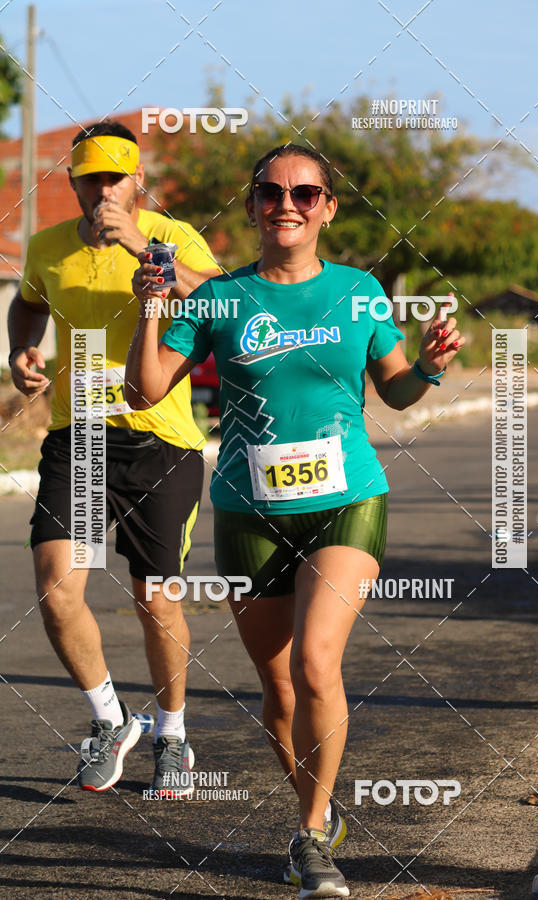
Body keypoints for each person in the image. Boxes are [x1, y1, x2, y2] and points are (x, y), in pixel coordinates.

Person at [125, 144, 465, 898]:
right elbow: (146, 390)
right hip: (249, 511)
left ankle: (310, 838)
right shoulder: (218, 299)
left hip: (348, 500)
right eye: (272, 192)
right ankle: (320, 805)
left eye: (306, 194)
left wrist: (433, 365)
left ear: (328, 209)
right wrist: (151, 311)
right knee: (279, 692)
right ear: (250, 207)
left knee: (317, 663)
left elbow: (398, 391)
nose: (288, 204)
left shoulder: (360, 293)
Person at [7, 119, 220, 795]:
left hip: (161, 439)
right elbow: (27, 304)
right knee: (56, 585)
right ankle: (110, 718)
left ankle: (173, 733)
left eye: (114, 177)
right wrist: (22, 353)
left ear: (138, 182)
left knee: (155, 600)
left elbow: (223, 306)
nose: (102, 189)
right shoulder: (46, 247)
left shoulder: (173, 234)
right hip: (81, 437)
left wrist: (140, 243)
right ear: (71, 182)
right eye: (90, 178)